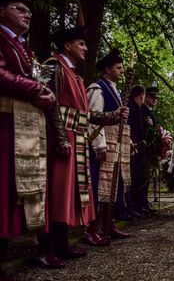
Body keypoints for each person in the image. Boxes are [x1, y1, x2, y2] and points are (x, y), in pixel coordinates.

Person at [40, 27, 128, 264]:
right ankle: (46, 247)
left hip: (76, 137)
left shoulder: (76, 74)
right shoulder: (54, 66)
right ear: (67, 45)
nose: (86, 48)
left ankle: (62, 243)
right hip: (62, 136)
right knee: (56, 191)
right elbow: (48, 105)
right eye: (81, 44)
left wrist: (113, 115)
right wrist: (58, 138)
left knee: (70, 193)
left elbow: (88, 115)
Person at [0, 0, 57, 271]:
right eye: (19, 9)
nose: (27, 15)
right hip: (6, 124)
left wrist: (46, 96)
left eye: (29, 11)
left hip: (27, 125)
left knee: (27, 187)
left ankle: (36, 245)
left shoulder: (24, 47)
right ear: (1, 10)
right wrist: (35, 88)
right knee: (6, 186)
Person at [86, 49, 131, 239]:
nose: (121, 71)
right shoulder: (98, 88)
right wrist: (99, 144)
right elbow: (92, 118)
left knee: (113, 185)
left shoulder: (115, 90)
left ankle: (109, 223)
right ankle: (92, 227)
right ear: (107, 69)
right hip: (103, 144)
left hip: (116, 144)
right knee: (99, 186)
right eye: (118, 68)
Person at [127, 85, 147, 216]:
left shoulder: (138, 109)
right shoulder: (132, 108)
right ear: (141, 95)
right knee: (132, 179)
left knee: (138, 178)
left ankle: (136, 205)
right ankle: (131, 206)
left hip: (139, 148)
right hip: (132, 147)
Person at [142, 84, 159, 211]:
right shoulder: (143, 110)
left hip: (150, 150)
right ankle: (141, 203)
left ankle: (144, 202)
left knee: (147, 178)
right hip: (144, 148)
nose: (155, 100)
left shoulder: (151, 112)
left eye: (156, 98)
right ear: (146, 97)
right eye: (152, 97)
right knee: (142, 178)